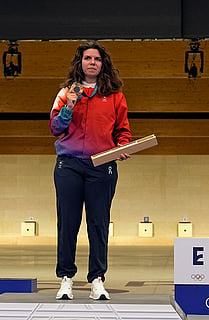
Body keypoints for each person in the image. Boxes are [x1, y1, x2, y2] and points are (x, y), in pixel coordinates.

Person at [49, 41, 131, 300]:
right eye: (87, 58)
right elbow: (55, 128)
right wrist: (69, 106)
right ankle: (66, 278)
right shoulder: (65, 93)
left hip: (101, 165)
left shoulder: (115, 95)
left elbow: (123, 130)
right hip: (69, 165)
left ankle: (97, 279)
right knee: (68, 223)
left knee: (98, 224)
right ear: (80, 62)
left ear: (103, 63)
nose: (92, 62)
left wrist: (123, 146)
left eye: (97, 59)